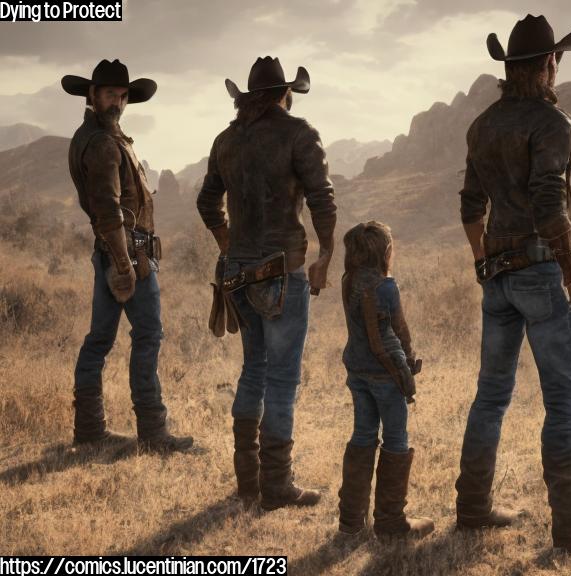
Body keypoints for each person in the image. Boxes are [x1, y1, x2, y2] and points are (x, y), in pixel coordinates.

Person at [455, 14, 571, 551]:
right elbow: (550, 203)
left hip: (498, 274)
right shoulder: (553, 124)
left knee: (491, 396)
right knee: (563, 397)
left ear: (509, 67)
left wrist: (483, 263)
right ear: (549, 63)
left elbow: (470, 207)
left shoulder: (482, 126)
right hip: (540, 270)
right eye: (556, 60)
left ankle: (473, 507)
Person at [197, 56, 337, 510]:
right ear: (285, 94)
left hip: (237, 271)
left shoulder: (225, 140)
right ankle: (276, 486)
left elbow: (206, 201)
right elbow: (322, 197)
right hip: (283, 268)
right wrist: (326, 254)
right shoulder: (299, 133)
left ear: (246, 99)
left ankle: (247, 481)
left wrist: (228, 244)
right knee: (280, 377)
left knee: (253, 368)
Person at [63, 59, 193, 454]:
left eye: (122, 96)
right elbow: (108, 209)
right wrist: (125, 265)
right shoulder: (103, 143)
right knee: (148, 336)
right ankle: (153, 434)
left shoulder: (97, 136)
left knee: (100, 339)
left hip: (113, 249)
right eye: (110, 95)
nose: (118, 102)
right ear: (92, 95)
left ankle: (89, 431)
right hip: (128, 252)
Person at [336, 221, 434, 539]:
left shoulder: (347, 281)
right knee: (395, 439)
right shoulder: (386, 287)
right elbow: (400, 330)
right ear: (386, 253)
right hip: (386, 374)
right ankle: (391, 522)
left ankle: (351, 521)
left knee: (362, 435)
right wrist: (407, 362)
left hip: (357, 371)